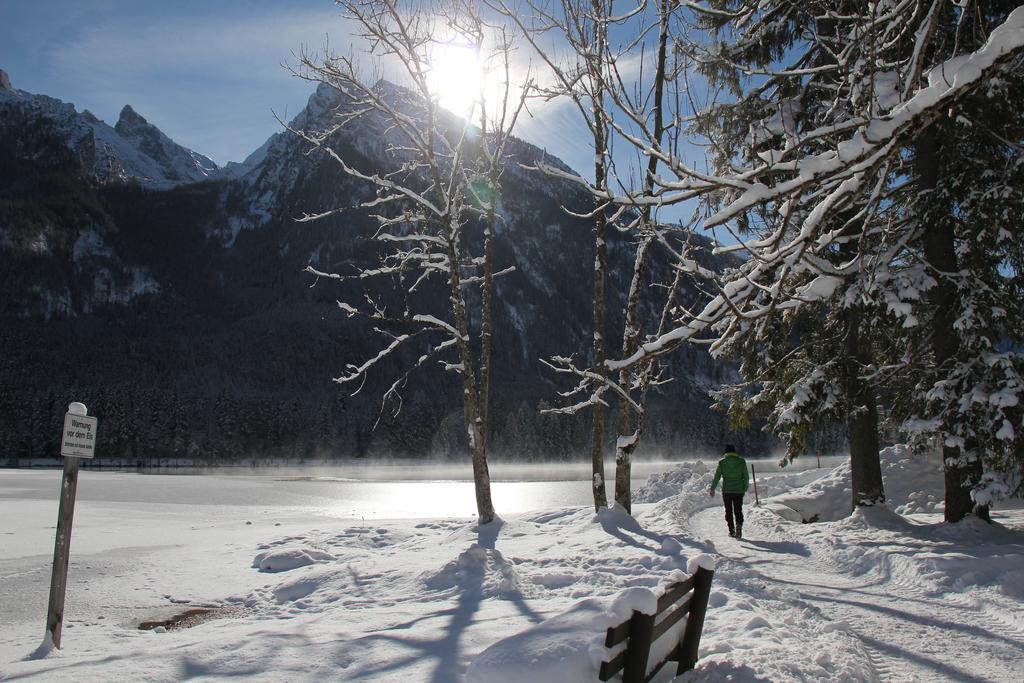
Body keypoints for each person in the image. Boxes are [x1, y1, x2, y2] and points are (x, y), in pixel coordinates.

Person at [709, 444, 749, 539]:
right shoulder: (741, 462)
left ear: (726, 452)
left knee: (729, 511)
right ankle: (739, 527)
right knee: (738, 510)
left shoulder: (722, 463)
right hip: (739, 491)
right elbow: (746, 477)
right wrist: (745, 488)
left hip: (727, 491)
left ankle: (731, 530)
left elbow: (717, 477)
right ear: (735, 452)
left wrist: (712, 488)